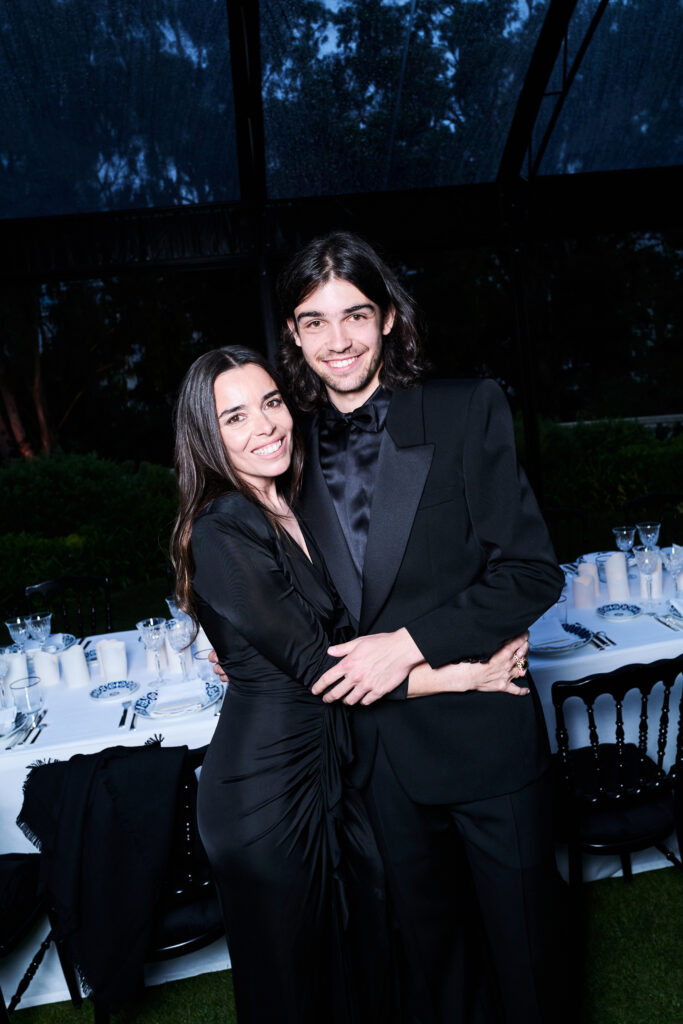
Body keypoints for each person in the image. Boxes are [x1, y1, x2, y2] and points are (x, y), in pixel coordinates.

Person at [171, 345, 531, 1024]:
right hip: (268, 794)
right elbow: (327, 670)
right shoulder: (222, 529)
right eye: (235, 417)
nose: (266, 425)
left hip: (333, 770)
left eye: (271, 403)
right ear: (205, 437)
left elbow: (343, 620)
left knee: (363, 969)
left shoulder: (288, 501)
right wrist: (466, 674)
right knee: (300, 988)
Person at [273, 231, 566, 1024]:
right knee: (434, 978)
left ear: (388, 317)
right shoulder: (280, 451)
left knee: (529, 964)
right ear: (293, 334)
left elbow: (531, 573)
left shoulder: (465, 409)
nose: (338, 340)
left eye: (354, 314)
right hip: (374, 767)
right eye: (314, 321)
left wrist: (406, 645)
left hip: (484, 740)